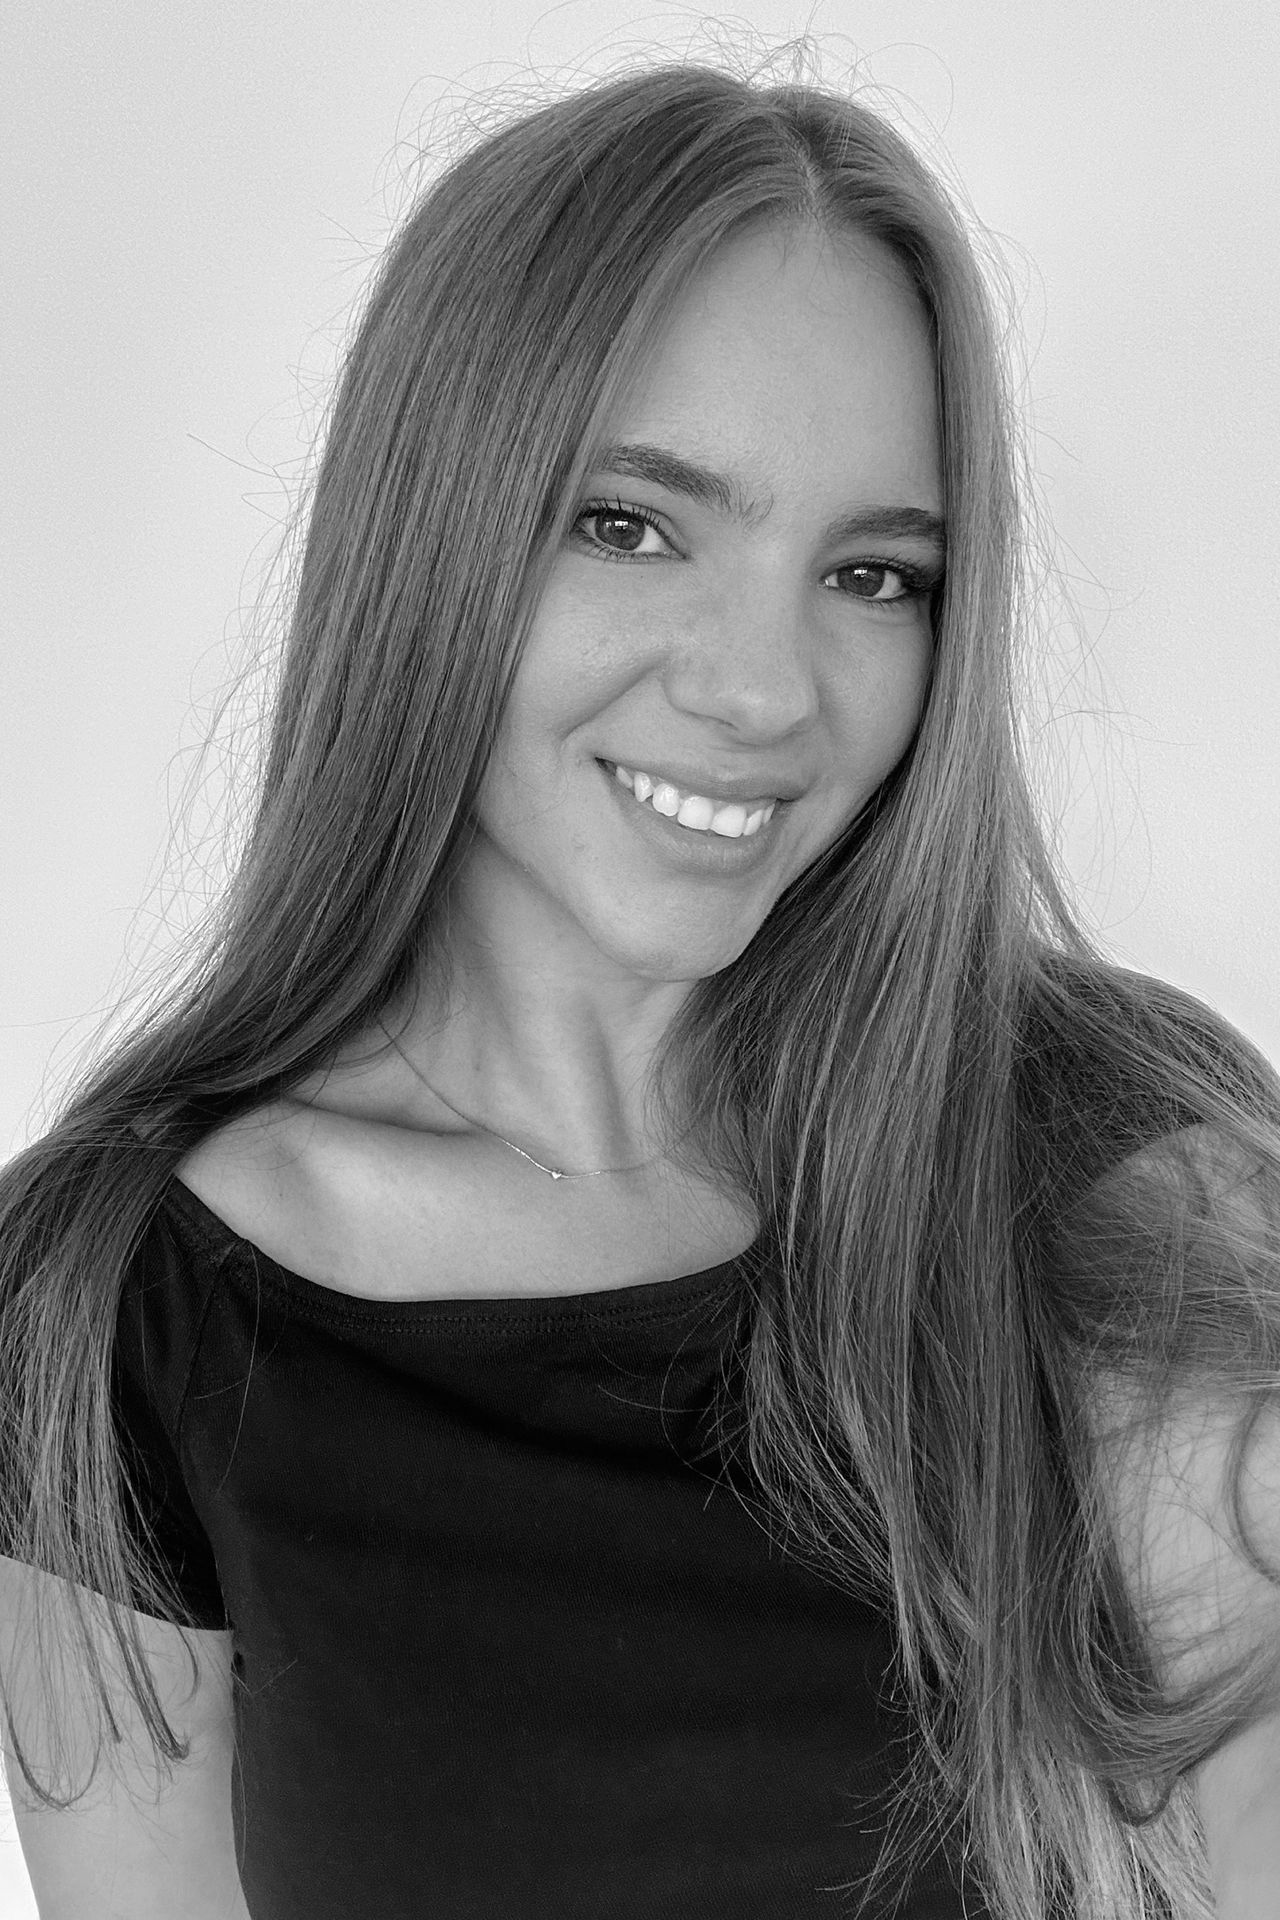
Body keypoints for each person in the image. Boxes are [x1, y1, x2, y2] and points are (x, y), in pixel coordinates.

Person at [3, 50, 1280, 1920]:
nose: (762, 690)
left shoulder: (1113, 1158)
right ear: (435, 535)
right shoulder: (115, 1311)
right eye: (632, 525)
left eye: (874, 575)